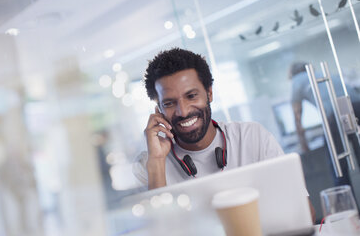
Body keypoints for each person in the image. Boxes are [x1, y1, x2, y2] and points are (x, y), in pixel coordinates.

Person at [133, 48, 315, 221]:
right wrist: (156, 161)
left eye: (191, 96)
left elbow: (305, 213)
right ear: (159, 110)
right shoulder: (149, 164)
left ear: (209, 93)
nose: (183, 111)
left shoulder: (252, 137)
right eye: (169, 103)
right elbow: (159, 231)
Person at [289, 62, 360, 184]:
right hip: (356, 104)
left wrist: (303, 142)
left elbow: (297, 115)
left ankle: (344, 198)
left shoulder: (296, 81)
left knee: (337, 164)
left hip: (337, 110)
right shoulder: (320, 73)